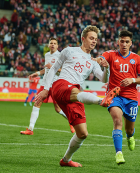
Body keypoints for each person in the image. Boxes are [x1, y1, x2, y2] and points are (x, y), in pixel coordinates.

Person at [35, 25, 120, 167]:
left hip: (75, 94)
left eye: (96, 39)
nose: (94, 41)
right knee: (76, 92)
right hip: (61, 85)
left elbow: (103, 79)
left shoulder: (93, 62)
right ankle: (102, 100)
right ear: (83, 39)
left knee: (82, 133)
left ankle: (66, 160)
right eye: (91, 38)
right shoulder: (69, 51)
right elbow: (54, 68)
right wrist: (45, 89)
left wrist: (107, 67)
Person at [98, 30, 140, 165]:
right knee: (117, 121)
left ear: (131, 43)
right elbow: (102, 57)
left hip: (131, 98)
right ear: (118, 42)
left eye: (127, 42)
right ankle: (118, 153)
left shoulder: (137, 59)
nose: (124, 44)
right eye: (122, 41)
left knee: (129, 129)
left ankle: (130, 136)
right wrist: (100, 61)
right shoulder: (111, 54)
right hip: (115, 96)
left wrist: (132, 80)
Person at [20, 38, 75, 135]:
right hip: (45, 84)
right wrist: (36, 73)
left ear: (57, 46)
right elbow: (46, 70)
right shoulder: (47, 55)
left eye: (55, 43)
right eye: (51, 43)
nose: (53, 45)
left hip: (55, 85)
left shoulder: (60, 55)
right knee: (37, 103)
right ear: (48, 45)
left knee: (58, 109)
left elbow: (64, 71)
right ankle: (30, 129)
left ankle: (71, 121)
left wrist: (53, 68)